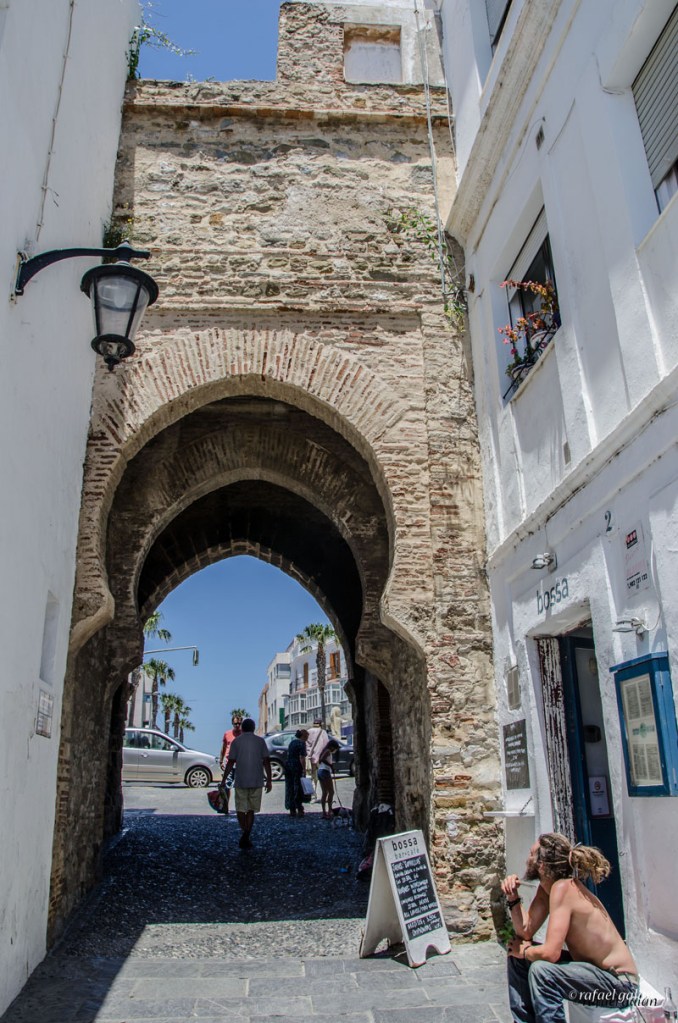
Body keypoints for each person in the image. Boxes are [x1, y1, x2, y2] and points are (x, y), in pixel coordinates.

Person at [502, 832, 639, 1023]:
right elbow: (525, 931)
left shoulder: (563, 888)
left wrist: (526, 952)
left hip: (620, 985)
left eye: (531, 854)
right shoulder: (547, 889)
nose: (527, 858)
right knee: (516, 955)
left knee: (542, 971)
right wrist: (512, 897)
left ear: (541, 865)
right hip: (593, 974)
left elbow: (551, 953)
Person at [220, 718, 272, 849]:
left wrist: (223, 779)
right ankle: (246, 835)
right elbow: (266, 761)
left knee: (240, 809)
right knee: (251, 810)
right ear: (254, 728)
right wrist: (269, 780)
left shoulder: (236, 742)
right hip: (256, 780)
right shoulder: (260, 741)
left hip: (241, 780)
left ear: (242, 728)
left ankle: (245, 833)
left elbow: (230, 762)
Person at [218, 714, 243, 814]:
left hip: (241, 763)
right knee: (226, 786)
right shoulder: (227, 734)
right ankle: (225, 806)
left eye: (239, 723)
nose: (237, 725)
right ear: (232, 723)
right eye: (235, 723)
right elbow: (223, 748)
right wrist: (221, 760)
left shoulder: (243, 734)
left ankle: (240, 807)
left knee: (239, 787)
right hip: (229, 763)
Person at [284, 728, 308, 817]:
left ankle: (291, 808)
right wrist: (304, 769)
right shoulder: (302, 743)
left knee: (289, 787)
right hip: (296, 766)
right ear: (303, 736)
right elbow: (302, 757)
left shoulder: (292, 742)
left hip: (288, 765)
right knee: (297, 787)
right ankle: (299, 807)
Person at [305, 718, 329, 798]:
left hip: (311, 758)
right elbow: (326, 745)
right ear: (321, 724)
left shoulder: (308, 731)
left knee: (312, 776)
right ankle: (324, 795)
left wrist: (309, 754)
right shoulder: (323, 732)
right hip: (320, 758)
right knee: (322, 776)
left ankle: (312, 795)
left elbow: (306, 745)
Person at [317, 738, 340, 819]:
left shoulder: (325, 751)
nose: (335, 750)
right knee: (331, 792)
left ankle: (324, 812)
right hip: (325, 772)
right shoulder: (327, 751)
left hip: (320, 771)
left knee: (324, 792)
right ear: (332, 747)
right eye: (335, 748)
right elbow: (322, 759)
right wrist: (330, 765)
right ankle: (330, 811)